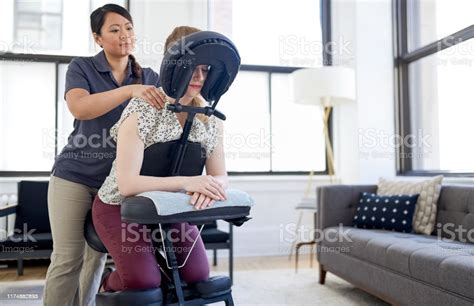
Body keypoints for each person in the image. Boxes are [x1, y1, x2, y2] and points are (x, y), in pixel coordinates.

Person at [43, 4, 166, 306]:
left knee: (96, 259)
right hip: (74, 176)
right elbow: (80, 107)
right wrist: (129, 92)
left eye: (128, 27)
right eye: (114, 29)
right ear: (98, 38)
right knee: (67, 259)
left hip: (113, 185)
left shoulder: (149, 76)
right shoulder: (82, 67)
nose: (124, 34)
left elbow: (166, 121)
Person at [92, 25, 229, 292]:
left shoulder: (210, 120)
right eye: (193, 68)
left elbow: (220, 175)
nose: (200, 77)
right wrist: (190, 182)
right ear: (174, 66)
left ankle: (151, 268)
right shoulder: (143, 108)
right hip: (120, 207)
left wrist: (213, 187)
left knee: (198, 275)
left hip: (170, 207)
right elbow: (128, 184)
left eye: (206, 70)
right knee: (144, 280)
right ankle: (110, 281)